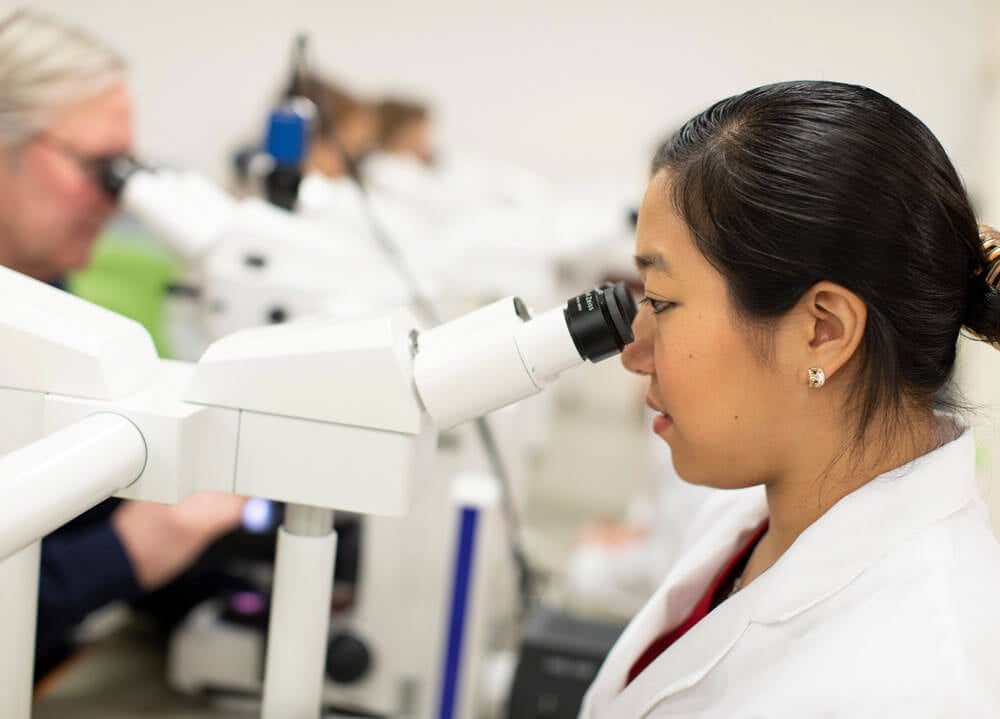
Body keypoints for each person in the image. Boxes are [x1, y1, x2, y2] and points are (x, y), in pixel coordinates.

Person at [580, 80, 1000, 717]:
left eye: (661, 301)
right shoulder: (764, 514)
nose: (634, 352)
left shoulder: (922, 684)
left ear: (822, 330)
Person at [0, 9, 246, 681]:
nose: (117, 199)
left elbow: (92, 507)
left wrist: (229, 579)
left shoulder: (49, 301)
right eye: (100, 168)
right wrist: (131, 551)